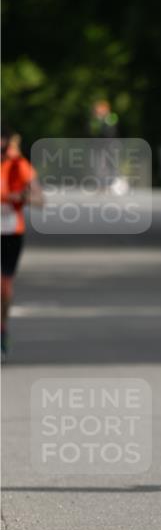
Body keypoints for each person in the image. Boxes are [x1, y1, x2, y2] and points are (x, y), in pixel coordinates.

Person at [1, 125, 44, 357]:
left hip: (10, 232)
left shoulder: (19, 165)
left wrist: (23, 196)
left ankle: (2, 327)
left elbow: (40, 199)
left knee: (4, 288)